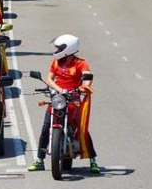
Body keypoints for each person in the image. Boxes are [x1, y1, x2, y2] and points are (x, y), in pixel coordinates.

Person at [29, 34, 100, 173]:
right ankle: (39, 160)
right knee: (46, 127)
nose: (56, 50)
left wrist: (84, 87)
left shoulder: (81, 63)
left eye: (58, 48)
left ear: (68, 49)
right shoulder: (56, 62)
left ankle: (93, 160)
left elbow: (87, 76)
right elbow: (49, 79)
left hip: (73, 99)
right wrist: (59, 90)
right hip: (58, 98)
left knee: (82, 128)